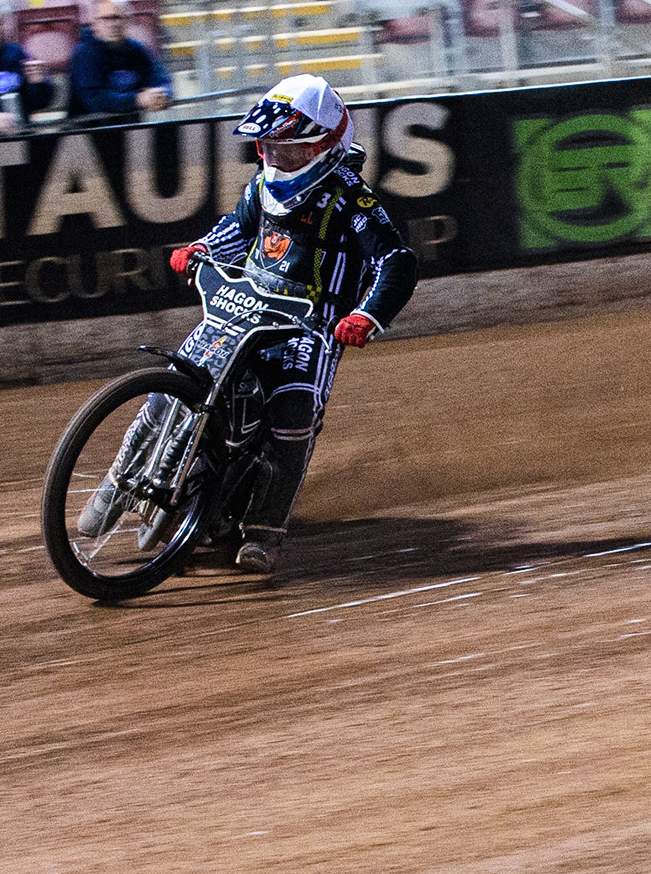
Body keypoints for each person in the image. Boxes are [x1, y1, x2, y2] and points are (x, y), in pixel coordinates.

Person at [80, 75, 417, 575]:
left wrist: (365, 315)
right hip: (244, 302)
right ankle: (117, 481)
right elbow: (235, 231)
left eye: (287, 150)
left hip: (311, 323)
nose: (275, 159)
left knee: (293, 411)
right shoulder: (262, 184)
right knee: (168, 389)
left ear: (325, 145)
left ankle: (263, 530)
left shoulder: (352, 198)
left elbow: (397, 260)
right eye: (267, 147)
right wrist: (200, 250)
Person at [67, 0, 172, 125]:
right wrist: (137, 99)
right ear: (94, 23)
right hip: (87, 132)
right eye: (105, 19)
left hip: (130, 129)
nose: (112, 24)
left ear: (128, 20)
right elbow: (95, 100)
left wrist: (162, 94)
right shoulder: (83, 54)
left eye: (117, 18)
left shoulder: (137, 49)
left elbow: (159, 78)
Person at [0, 0, 52, 134]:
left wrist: (37, 84)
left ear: (3, 26)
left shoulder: (17, 53)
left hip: (20, 133)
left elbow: (39, 103)